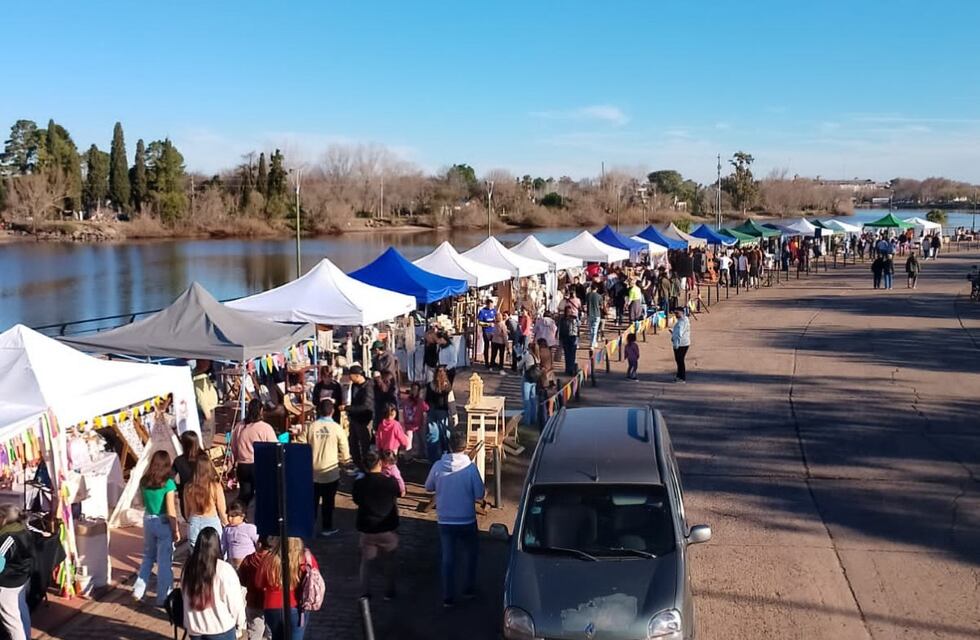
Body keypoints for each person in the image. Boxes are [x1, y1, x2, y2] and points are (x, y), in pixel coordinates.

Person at [425, 431, 485, 608]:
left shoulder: (438, 465)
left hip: (445, 519)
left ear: (449, 446)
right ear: (465, 447)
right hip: (466, 518)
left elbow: (428, 487)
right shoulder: (470, 468)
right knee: (470, 555)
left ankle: (447, 596)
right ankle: (468, 589)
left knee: (448, 558)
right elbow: (479, 494)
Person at [297, 398, 350, 537]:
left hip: (312, 472)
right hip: (330, 473)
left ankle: (309, 527)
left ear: (319, 410)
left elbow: (300, 444)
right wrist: (346, 462)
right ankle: (327, 528)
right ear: (332, 411)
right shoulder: (337, 428)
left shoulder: (311, 427)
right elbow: (345, 449)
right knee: (328, 503)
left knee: (311, 503)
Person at [352, 450, 401, 600]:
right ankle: (389, 592)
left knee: (366, 563)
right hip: (387, 528)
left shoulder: (360, 484)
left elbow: (356, 500)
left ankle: (365, 593)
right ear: (380, 463)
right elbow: (398, 493)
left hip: (368, 529)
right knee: (389, 563)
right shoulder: (390, 482)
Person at [181, 527, 246, 640]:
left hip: (195, 628)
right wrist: (240, 624)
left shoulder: (188, 568)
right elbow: (235, 602)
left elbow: (184, 595)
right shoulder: (224, 569)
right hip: (220, 629)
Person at [133, 450, 180, 605]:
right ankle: (163, 596)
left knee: (147, 557)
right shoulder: (168, 484)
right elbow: (170, 509)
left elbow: (141, 502)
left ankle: (138, 590)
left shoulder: (144, 481)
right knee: (164, 562)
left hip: (148, 519)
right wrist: (175, 529)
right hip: (163, 521)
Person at [256, 537, 316, 640]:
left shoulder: (269, 558)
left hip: (272, 606)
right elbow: (314, 579)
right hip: (297, 606)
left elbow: (259, 583)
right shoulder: (306, 558)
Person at [231, 399, 278, 508]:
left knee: (245, 495)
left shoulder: (239, 426)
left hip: (242, 466)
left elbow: (234, 448)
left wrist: (231, 465)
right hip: (258, 466)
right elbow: (274, 448)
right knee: (263, 495)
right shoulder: (265, 428)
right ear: (261, 410)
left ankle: (238, 513)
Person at [0, 505, 34, 640]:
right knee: (20, 611)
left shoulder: (7, 537)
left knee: (12, 621)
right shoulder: (24, 529)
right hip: (21, 578)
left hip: (8, 583)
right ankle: (26, 636)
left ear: (4, 518)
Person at [184, 456, 228, 549]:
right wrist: (227, 525)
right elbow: (222, 511)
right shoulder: (215, 486)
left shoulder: (188, 487)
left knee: (195, 556)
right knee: (216, 555)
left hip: (194, 521)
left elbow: (187, 512)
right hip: (212, 522)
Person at [237, 538, 271, 640]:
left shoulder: (249, 559)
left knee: (254, 633)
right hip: (270, 602)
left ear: (259, 544)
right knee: (271, 633)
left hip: (253, 601)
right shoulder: (274, 560)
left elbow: (242, 579)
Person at [347, 365, 375, 470]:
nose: (349, 377)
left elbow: (366, 406)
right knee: (353, 443)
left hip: (364, 420)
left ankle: (366, 467)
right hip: (354, 418)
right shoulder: (354, 385)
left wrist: (348, 408)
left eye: (351, 375)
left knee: (364, 445)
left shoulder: (368, 387)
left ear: (358, 376)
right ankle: (357, 464)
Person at [424, 367, 455, 463]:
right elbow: (451, 401)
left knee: (433, 436)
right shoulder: (447, 387)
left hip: (431, 412)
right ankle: (446, 456)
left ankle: (433, 460)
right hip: (443, 413)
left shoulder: (430, 386)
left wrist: (425, 412)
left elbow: (425, 399)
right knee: (445, 435)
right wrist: (454, 414)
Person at [173, 430, 205, 519]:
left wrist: (179, 487)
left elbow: (170, 478)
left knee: (189, 519)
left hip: (185, 494)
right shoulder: (204, 457)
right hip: (203, 492)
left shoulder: (178, 461)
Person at [221, 501, 258, 569]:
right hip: (232, 565)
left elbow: (258, 544)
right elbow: (223, 546)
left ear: (242, 516)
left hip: (248, 565)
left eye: (233, 516)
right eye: (228, 516)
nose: (229, 519)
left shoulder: (250, 528)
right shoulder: (227, 529)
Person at [400, 382, 428, 460]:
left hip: (418, 424)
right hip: (409, 424)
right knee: (409, 441)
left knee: (421, 439)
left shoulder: (420, 401)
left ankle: (422, 454)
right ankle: (408, 457)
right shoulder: (406, 401)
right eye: (413, 389)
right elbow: (404, 411)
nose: (414, 391)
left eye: (416, 389)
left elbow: (427, 408)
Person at [519, 341, 540, 427]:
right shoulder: (538, 357)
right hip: (535, 380)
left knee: (526, 400)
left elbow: (519, 365)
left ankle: (527, 421)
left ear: (530, 349)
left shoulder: (528, 356)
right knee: (533, 399)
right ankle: (533, 418)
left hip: (527, 379)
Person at [670, 308, 691, 383]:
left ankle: (682, 377)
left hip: (681, 344)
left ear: (682, 313)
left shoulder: (682, 322)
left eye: (677, 313)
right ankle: (679, 376)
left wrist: (676, 344)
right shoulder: (684, 320)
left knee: (680, 360)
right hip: (684, 343)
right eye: (675, 313)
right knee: (679, 360)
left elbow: (679, 334)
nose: (676, 315)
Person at [557, 306, 579, 376]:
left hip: (573, 337)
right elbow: (560, 328)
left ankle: (571, 369)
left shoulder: (574, 318)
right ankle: (568, 369)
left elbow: (578, 328)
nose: (568, 313)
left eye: (569, 311)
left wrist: (578, 338)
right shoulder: (562, 319)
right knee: (567, 354)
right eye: (567, 311)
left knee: (572, 354)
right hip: (565, 337)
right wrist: (560, 338)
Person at [477, 299, 497, 367]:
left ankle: (492, 361)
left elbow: (497, 319)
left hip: (494, 331)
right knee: (486, 346)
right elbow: (479, 322)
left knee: (494, 346)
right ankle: (486, 362)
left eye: (492, 305)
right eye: (490, 305)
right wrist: (488, 324)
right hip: (486, 331)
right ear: (487, 304)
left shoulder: (494, 311)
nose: (491, 306)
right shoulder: (482, 311)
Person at [585, 283, 604, 347]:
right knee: (595, 329)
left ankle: (592, 342)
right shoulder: (599, 296)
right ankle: (593, 343)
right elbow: (601, 306)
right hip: (597, 314)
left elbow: (585, 304)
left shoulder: (588, 295)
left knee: (590, 329)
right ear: (596, 289)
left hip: (589, 314)